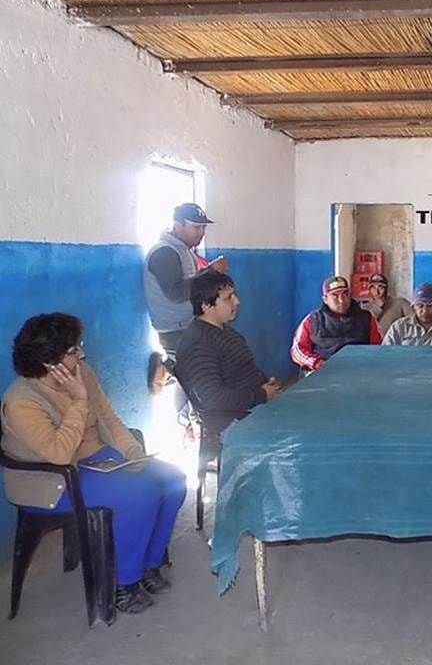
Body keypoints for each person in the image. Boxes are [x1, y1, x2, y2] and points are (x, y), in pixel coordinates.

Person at [1, 313, 187, 614]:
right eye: (73, 351)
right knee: (140, 494)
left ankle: (149, 563)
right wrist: (78, 401)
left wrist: (133, 453)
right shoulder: (22, 400)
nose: (82, 355)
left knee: (173, 481)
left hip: (93, 460)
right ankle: (124, 584)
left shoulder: (82, 373)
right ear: (49, 362)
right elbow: (59, 454)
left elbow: (109, 419)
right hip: (52, 481)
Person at [174, 271, 282, 438]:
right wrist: (261, 394)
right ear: (206, 305)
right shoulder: (198, 344)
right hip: (231, 421)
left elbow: (242, 367)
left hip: (250, 406)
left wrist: (266, 384)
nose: (237, 301)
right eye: (228, 298)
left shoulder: (222, 330)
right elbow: (213, 399)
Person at [144, 203, 227, 393]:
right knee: (198, 376)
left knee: (200, 370)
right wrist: (210, 272)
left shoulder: (185, 251)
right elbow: (176, 293)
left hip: (187, 322)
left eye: (203, 227)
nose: (201, 233)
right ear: (177, 225)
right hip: (174, 326)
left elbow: (192, 284)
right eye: (196, 227)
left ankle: (167, 368)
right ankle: (165, 367)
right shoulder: (165, 252)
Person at [291, 275, 382, 372]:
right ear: (325, 299)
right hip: (324, 372)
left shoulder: (366, 318)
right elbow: (297, 350)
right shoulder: (312, 320)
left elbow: (379, 346)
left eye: (345, 294)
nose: (341, 300)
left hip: (360, 371)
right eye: (335, 296)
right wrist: (316, 363)